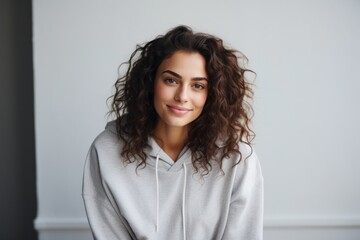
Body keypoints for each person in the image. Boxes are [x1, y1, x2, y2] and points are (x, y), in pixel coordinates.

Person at [82, 25, 263, 240]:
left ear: (212, 94)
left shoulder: (236, 156)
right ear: (150, 82)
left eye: (198, 86)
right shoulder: (106, 151)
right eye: (171, 80)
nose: (182, 96)